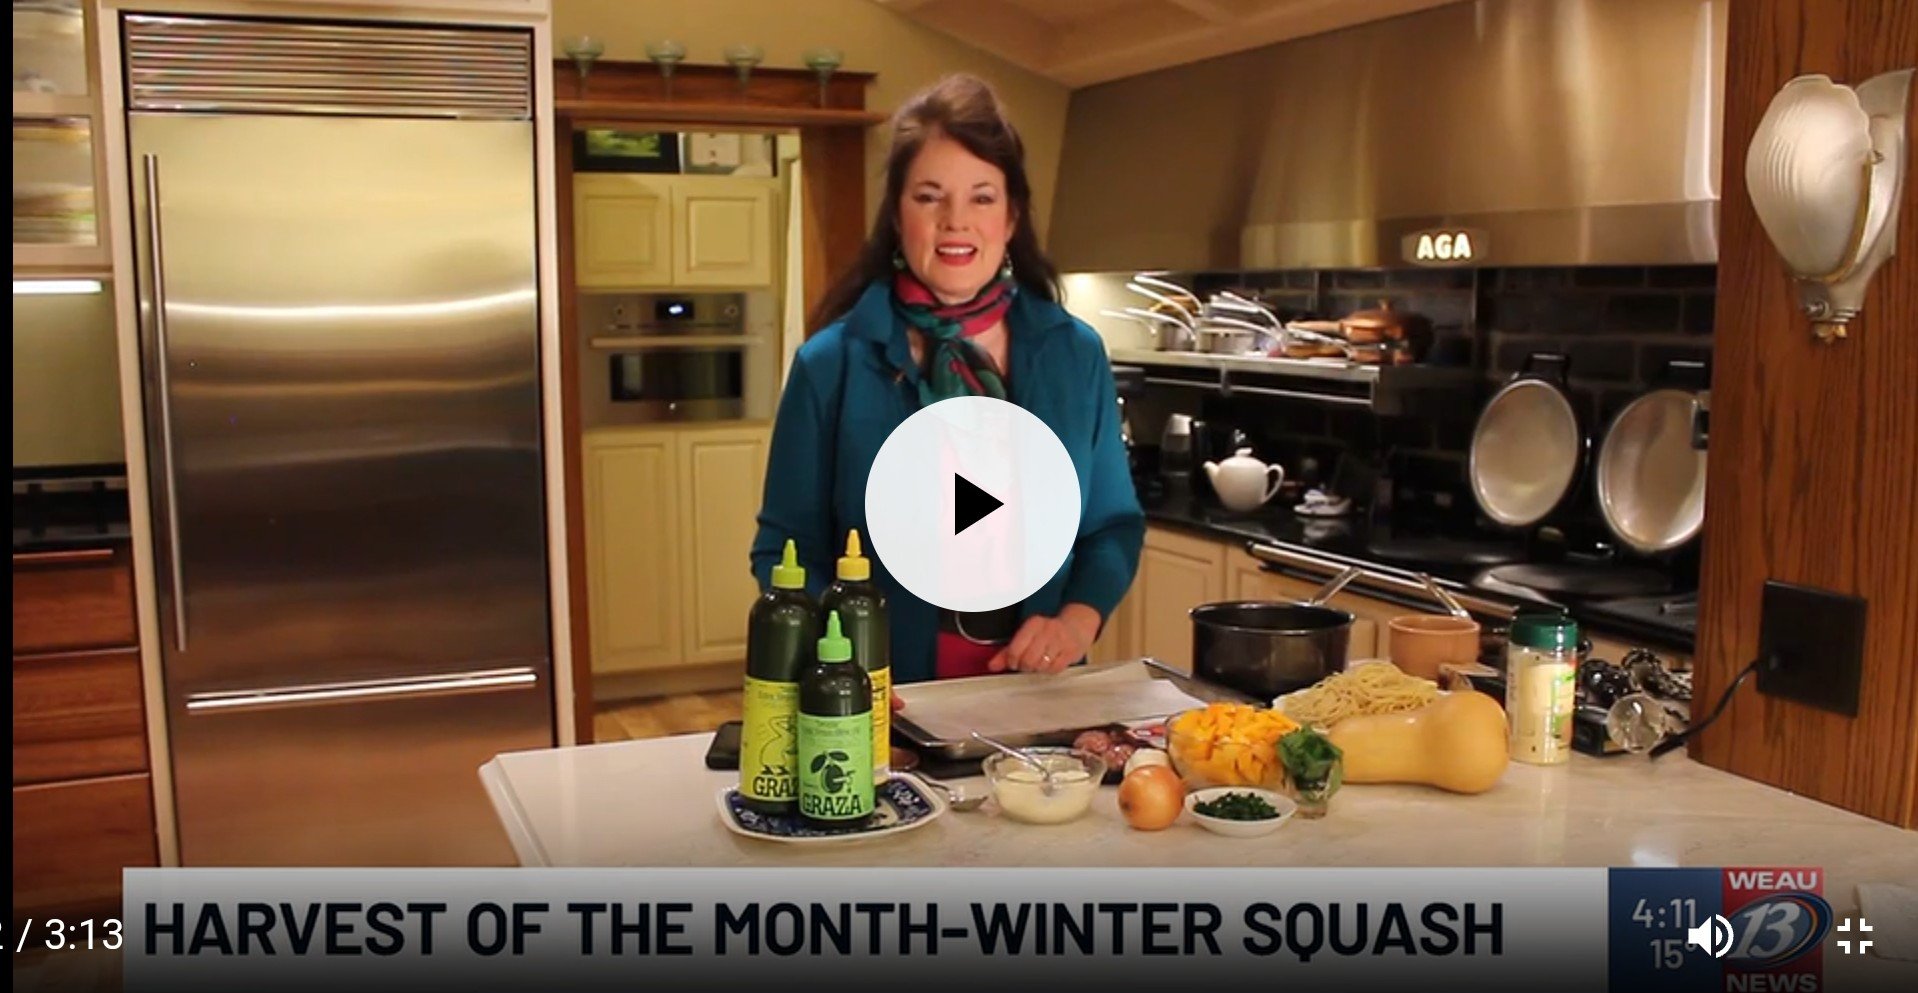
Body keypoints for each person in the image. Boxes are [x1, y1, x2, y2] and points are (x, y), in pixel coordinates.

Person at [749, 73, 1144, 684]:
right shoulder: (831, 364)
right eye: (929, 197)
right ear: (897, 216)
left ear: (1011, 217)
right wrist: (844, 663)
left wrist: (1076, 622)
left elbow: (1112, 526)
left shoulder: (1074, 353)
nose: (956, 221)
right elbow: (785, 548)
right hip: (881, 688)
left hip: (1038, 687)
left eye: (982, 198)